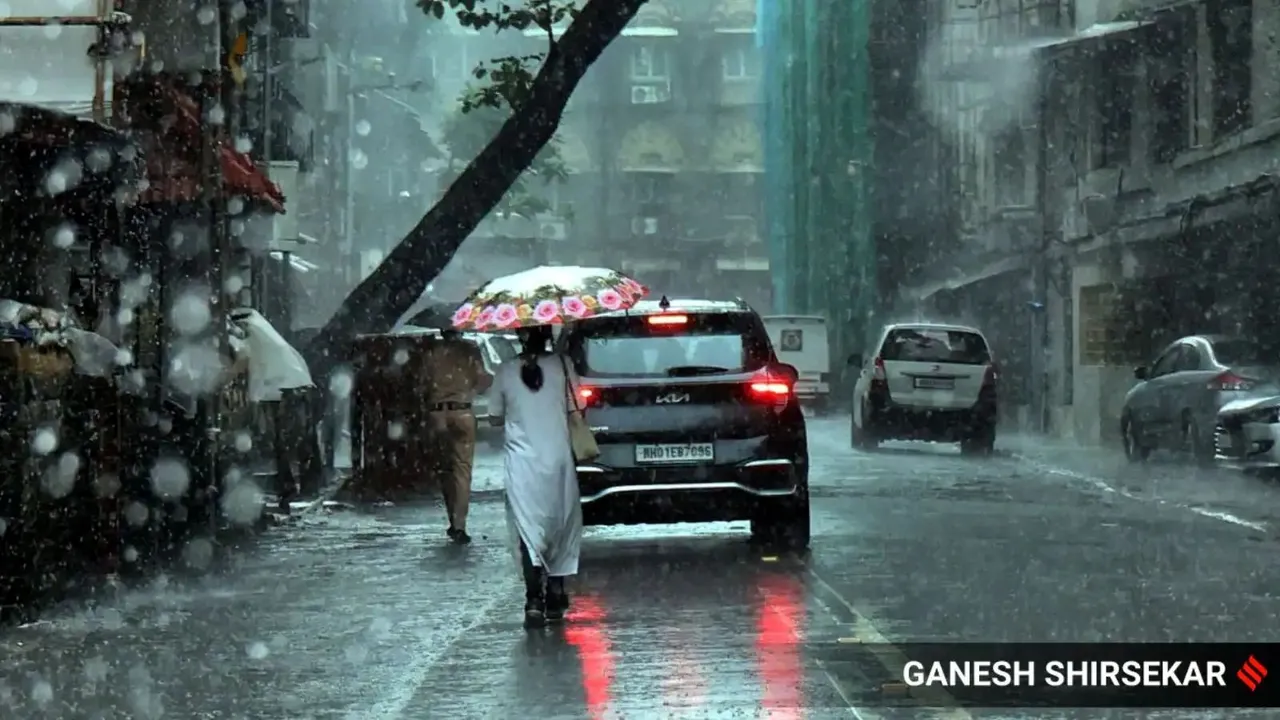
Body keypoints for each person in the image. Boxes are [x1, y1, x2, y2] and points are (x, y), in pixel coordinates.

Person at [486, 324, 583, 627]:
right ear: (547, 335)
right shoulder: (563, 365)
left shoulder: (505, 371)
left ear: (519, 336)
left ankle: (533, 600)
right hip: (558, 459)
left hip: (522, 464)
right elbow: (578, 407)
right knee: (562, 524)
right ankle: (556, 592)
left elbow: (493, 417)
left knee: (529, 530)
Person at [420, 328, 492, 544]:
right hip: (462, 411)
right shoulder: (470, 350)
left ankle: (452, 519)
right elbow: (484, 380)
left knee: (445, 469)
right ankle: (459, 524)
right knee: (462, 470)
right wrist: (468, 388)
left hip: (437, 414)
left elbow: (421, 384)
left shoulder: (432, 352)